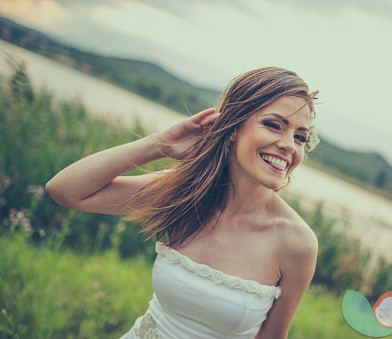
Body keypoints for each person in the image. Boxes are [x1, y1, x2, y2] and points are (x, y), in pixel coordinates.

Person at [45, 66, 320, 339]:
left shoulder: (297, 243)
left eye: (299, 137)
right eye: (273, 125)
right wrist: (159, 144)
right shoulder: (186, 193)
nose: (288, 145)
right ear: (233, 126)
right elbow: (65, 190)